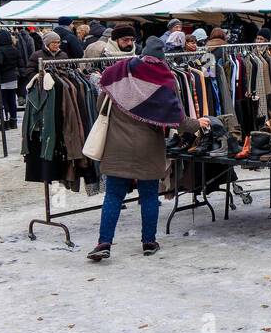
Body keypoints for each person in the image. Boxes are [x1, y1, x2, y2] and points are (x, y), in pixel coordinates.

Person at [87, 36, 205, 262]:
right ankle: (149, 242)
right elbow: (177, 119)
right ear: (162, 58)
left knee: (113, 196)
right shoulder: (165, 80)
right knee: (149, 196)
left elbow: (100, 104)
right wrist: (198, 124)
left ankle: (104, 242)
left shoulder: (119, 72)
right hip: (148, 148)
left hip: (116, 145)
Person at [0, 30, 22, 131]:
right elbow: (20, 63)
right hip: (13, 78)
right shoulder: (14, 49)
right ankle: (13, 121)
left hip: (2, 79)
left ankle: (5, 122)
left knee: (3, 102)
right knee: (12, 101)